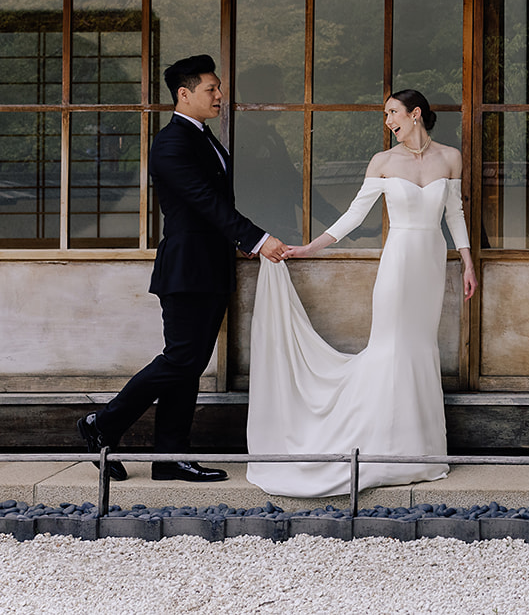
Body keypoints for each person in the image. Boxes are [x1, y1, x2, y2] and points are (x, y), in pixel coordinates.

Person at [246, 89, 477, 498]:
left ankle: (421, 450)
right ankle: (383, 446)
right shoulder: (383, 162)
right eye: (386, 114)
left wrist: (468, 262)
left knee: (420, 346)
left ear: (415, 114)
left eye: (393, 113)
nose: (388, 120)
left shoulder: (450, 157)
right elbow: (355, 214)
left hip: (431, 262)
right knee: (391, 345)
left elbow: (454, 213)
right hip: (399, 260)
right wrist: (309, 247)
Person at [76, 55, 287, 483]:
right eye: (212, 89)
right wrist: (258, 239)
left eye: (219, 88)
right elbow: (204, 203)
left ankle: (169, 457)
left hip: (210, 267)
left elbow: (219, 203)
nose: (220, 96)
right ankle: (102, 424)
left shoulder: (204, 137)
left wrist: (241, 240)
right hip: (187, 268)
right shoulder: (172, 143)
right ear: (184, 94)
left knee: (187, 364)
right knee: (180, 360)